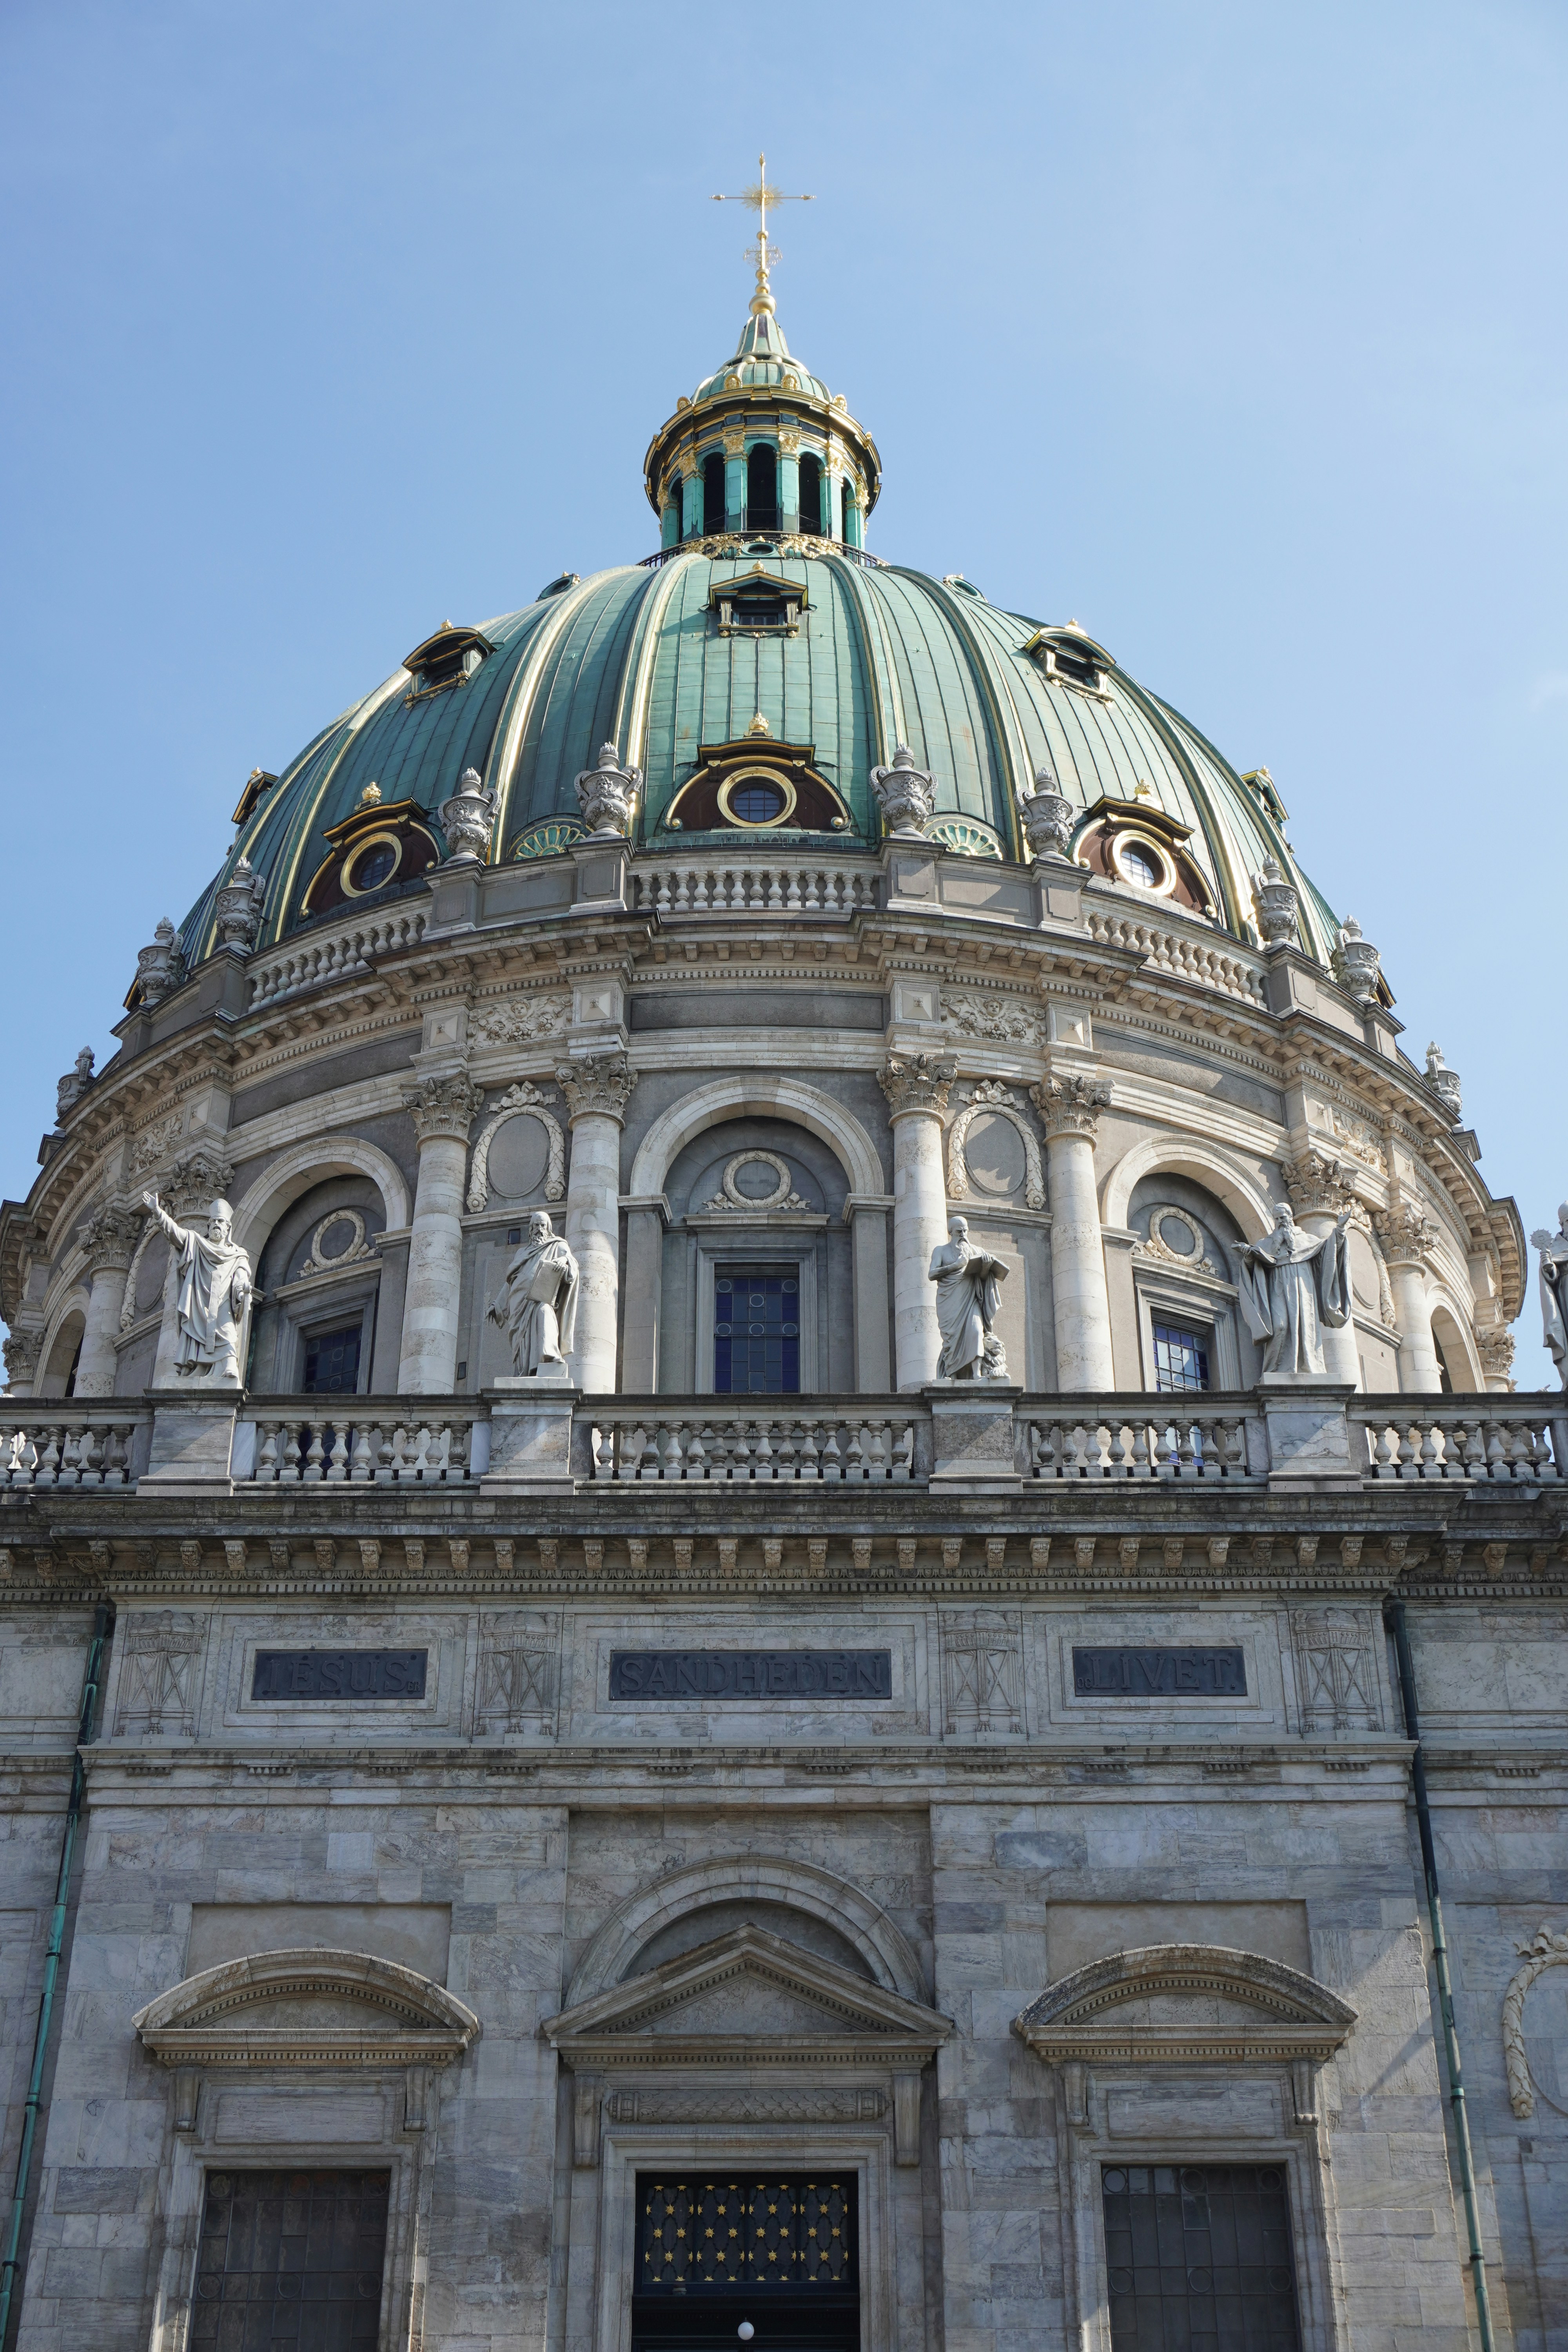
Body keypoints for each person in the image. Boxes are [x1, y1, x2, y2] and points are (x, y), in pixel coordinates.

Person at [141, 1192, 257, 1384]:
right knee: (195, 1335)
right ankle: (196, 1370)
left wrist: (241, 1290)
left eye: (221, 1222)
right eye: (214, 1222)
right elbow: (174, 1232)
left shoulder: (238, 1255)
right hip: (199, 1300)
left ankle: (228, 1365)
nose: (217, 1225)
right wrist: (157, 1211)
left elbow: (240, 1277)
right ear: (209, 1226)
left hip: (224, 1302)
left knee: (227, 1331)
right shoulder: (197, 1243)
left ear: (228, 1228)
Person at [1235, 1201, 1352, 1377]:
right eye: (1277, 1219)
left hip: (1303, 1288)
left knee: (1306, 1325)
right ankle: (1275, 1369)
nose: (1281, 1222)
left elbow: (1330, 1254)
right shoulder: (1266, 1244)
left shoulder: (1307, 1241)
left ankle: (1309, 1366)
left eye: (1283, 1218)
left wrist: (1340, 1230)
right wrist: (1249, 1257)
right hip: (1277, 1288)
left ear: (1290, 1217)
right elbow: (1253, 1270)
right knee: (1280, 1326)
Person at [488, 1210, 580, 1378]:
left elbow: (572, 1263)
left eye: (543, 1225)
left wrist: (564, 1260)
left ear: (548, 1227)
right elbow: (511, 1281)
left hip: (541, 1296)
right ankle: (524, 1371)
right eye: (536, 1225)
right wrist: (498, 1305)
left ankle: (550, 1358)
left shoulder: (558, 1245)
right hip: (519, 1301)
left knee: (544, 1313)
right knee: (521, 1340)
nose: (539, 1229)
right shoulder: (522, 1253)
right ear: (531, 1228)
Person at [927, 1214, 1009, 1380]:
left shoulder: (977, 1251)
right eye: (959, 1232)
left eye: (966, 1231)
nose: (964, 1235)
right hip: (950, 1301)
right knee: (952, 1339)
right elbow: (932, 1274)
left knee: (976, 1331)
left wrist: (986, 1268)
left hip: (971, 1300)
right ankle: (952, 1375)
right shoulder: (941, 1251)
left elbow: (983, 1280)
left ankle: (977, 1374)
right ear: (951, 1232)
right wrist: (955, 1266)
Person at [1530, 1205, 1568, 1389]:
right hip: (1565, 1293)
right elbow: (1552, 1278)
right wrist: (1548, 1265)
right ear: (1561, 1224)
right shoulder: (1555, 1248)